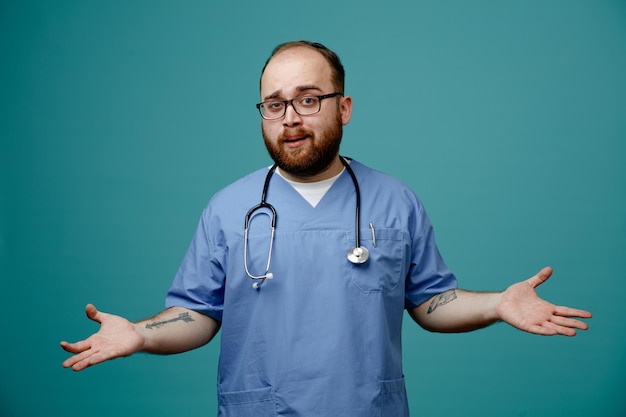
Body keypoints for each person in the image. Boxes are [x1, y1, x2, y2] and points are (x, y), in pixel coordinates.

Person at [61, 41, 592, 417]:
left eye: (308, 98)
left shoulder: (395, 201)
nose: (290, 116)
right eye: (274, 104)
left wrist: (498, 303)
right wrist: (139, 335)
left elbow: (432, 303)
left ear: (344, 107)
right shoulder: (228, 209)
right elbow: (197, 315)